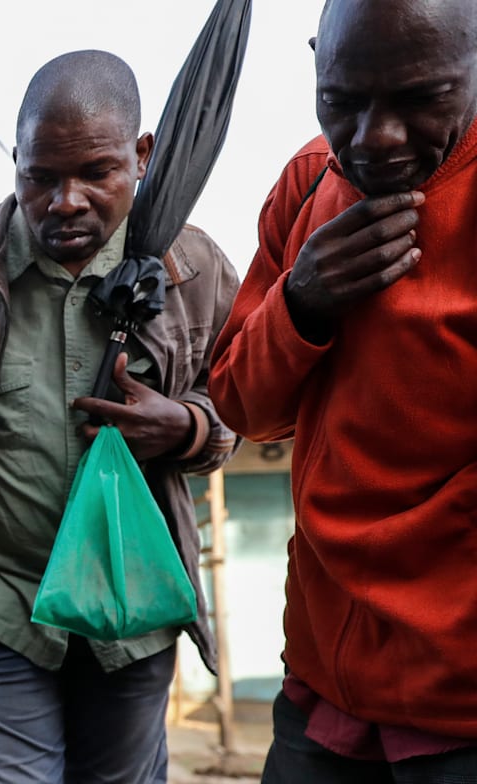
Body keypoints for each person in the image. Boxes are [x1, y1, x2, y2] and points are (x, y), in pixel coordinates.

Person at [0, 51, 240, 783]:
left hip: (134, 613)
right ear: (15, 161)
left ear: (142, 157)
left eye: (96, 173)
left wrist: (190, 427)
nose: (65, 201)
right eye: (40, 177)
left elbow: (251, 409)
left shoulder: (195, 272)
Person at [208, 1, 477, 778]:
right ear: (316, 62)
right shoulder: (306, 184)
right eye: (344, 101)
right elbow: (239, 405)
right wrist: (301, 303)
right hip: (324, 681)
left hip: (459, 704)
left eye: (421, 97)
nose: (375, 138)